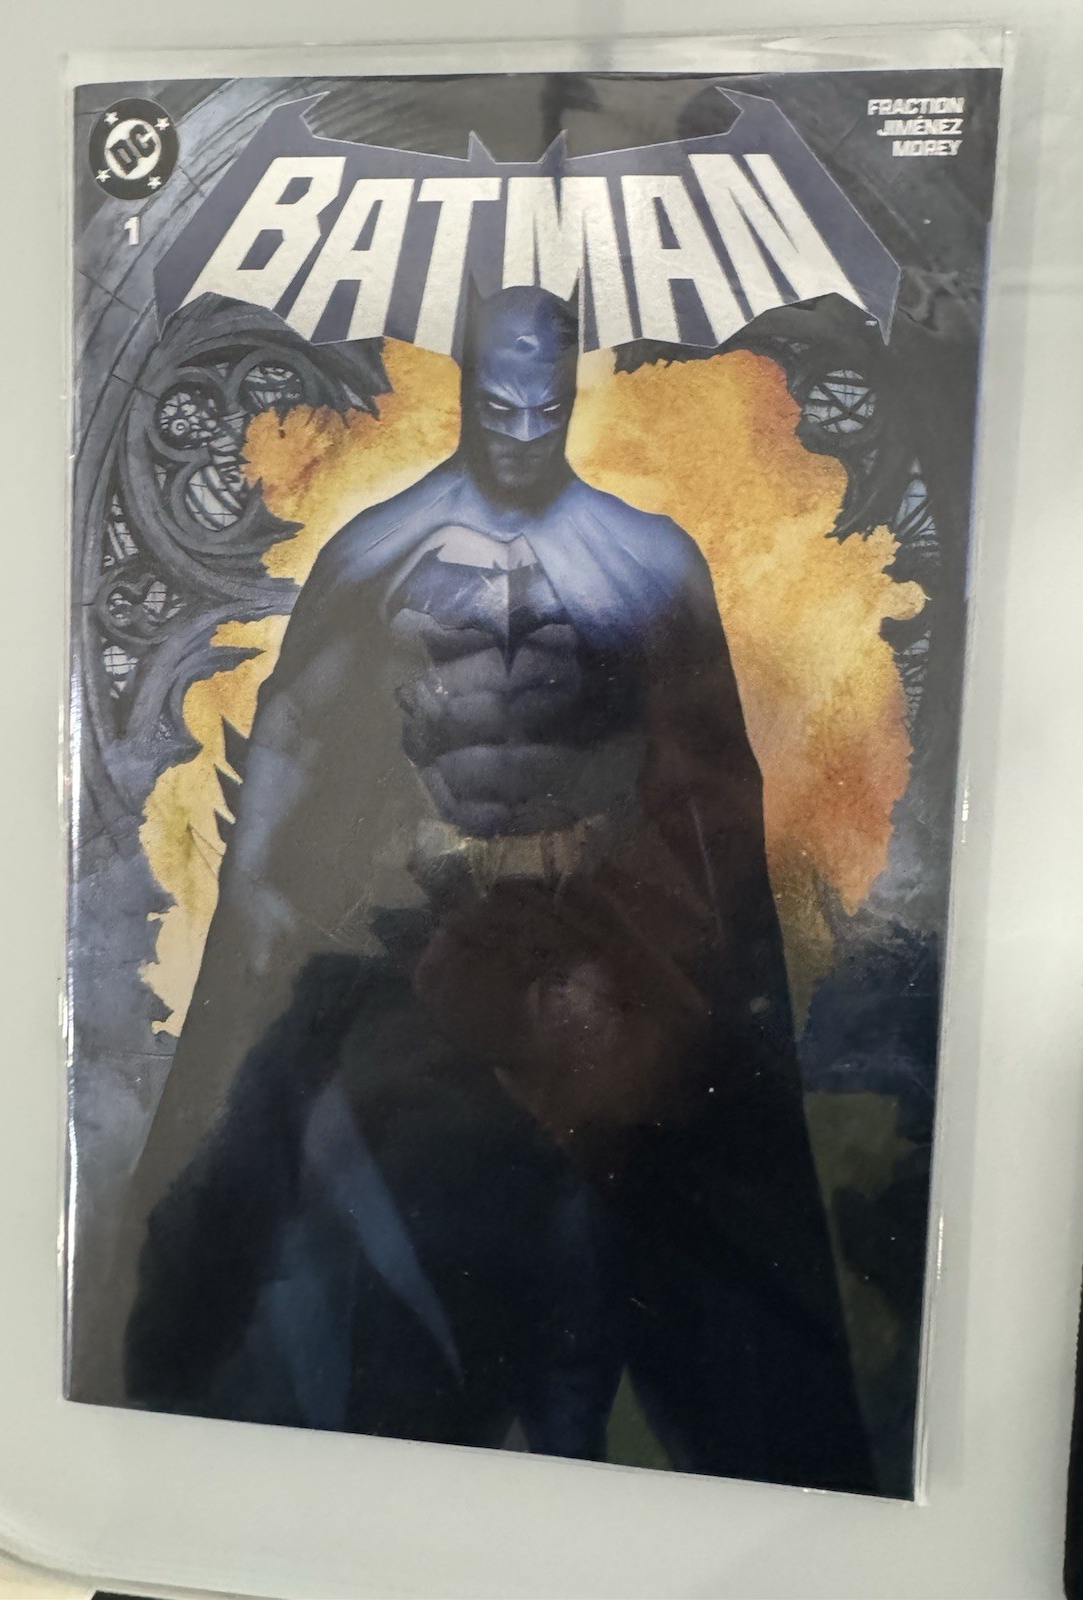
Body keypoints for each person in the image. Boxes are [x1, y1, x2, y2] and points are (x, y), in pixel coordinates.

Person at [122, 285, 875, 1491]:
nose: (521, 430)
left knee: (607, 1238)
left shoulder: (644, 558)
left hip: (599, 946)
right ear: (468, 391)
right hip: (433, 938)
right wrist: (263, 938)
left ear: (570, 395)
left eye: (543, 406)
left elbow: (709, 784)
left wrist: (712, 973)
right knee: (405, 1230)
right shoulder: (376, 550)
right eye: (498, 405)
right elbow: (298, 762)